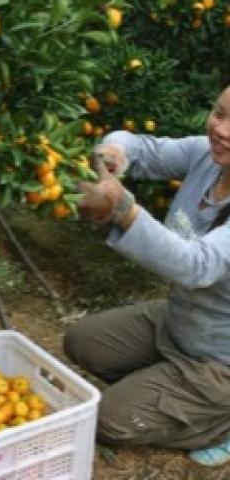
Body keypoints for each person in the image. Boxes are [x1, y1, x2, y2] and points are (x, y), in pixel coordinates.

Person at [63, 82, 230, 467]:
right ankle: (170, 387)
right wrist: (114, 152)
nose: (221, 129)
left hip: (218, 361)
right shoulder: (207, 156)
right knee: (82, 342)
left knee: (110, 420)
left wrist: (123, 210)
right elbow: (143, 148)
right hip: (179, 321)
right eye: (219, 113)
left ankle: (220, 422)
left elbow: (196, 265)